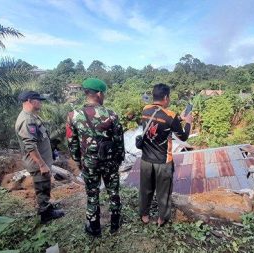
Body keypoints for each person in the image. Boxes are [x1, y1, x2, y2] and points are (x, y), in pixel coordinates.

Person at [66, 78, 125, 237]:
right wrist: (119, 159)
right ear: (99, 94)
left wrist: (78, 161)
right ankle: (115, 225)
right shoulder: (112, 115)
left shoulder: (73, 116)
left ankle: (94, 229)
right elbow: (119, 140)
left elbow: (72, 143)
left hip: (89, 163)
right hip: (109, 162)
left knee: (92, 194)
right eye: (103, 93)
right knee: (113, 192)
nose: (103, 95)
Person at [139, 83, 193, 226]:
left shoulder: (145, 110)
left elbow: (159, 121)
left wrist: (179, 119)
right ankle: (161, 218)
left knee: (145, 189)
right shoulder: (170, 115)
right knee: (163, 192)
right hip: (163, 161)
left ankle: (144, 215)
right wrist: (188, 122)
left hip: (145, 159)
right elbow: (183, 137)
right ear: (165, 97)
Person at [15, 91, 65, 224]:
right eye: (39, 100)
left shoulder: (32, 117)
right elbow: (30, 146)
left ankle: (47, 207)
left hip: (42, 160)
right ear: (30, 100)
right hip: (37, 163)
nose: (41, 102)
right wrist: (42, 164)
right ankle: (45, 214)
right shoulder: (27, 120)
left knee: (45, 185)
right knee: (42, 187)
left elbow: (41, 138)